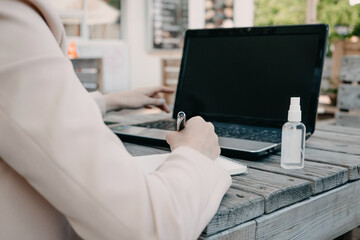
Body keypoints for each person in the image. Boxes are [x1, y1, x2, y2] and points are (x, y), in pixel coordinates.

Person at [0, 0, 232, 239]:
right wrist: (195, 152)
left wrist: (109, 101)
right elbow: (148, 228)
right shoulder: (9, 20)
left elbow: (21, 107)